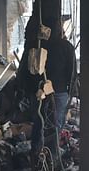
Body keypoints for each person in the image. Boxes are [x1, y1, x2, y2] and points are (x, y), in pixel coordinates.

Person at [32, 20, 77, 155]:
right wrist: (71, 90)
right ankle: (52, 155)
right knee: (57, 124)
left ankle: (37, 152)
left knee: (39, 122)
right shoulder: (67, 47)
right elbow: (72, 71)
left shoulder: (40, 46)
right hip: (60, 91)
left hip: (41, 89)